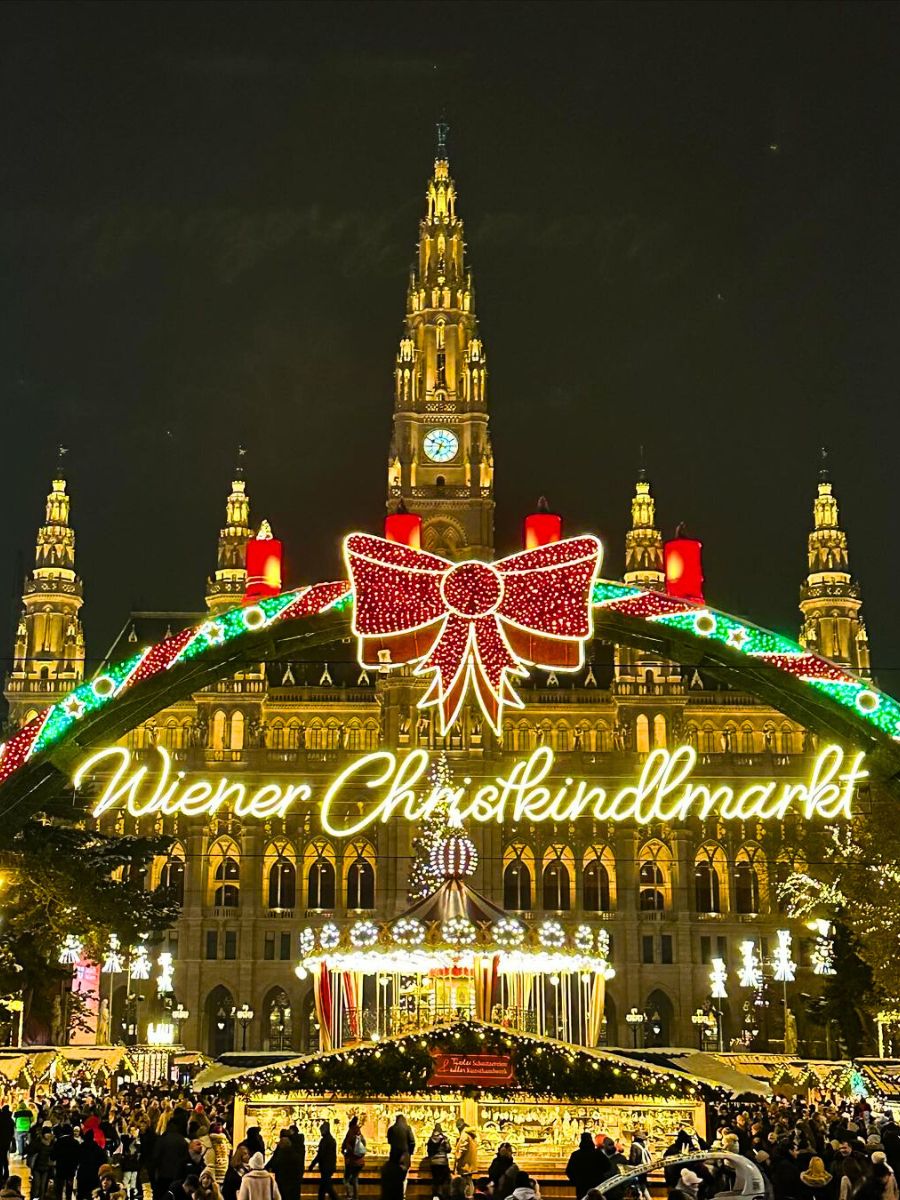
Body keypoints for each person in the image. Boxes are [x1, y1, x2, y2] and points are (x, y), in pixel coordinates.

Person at [152, 1108, 190, 1200]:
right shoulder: (183, 1141)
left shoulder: (162, 1139)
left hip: (162, 1176)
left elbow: (155, 1157)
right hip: (177, 1177)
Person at [384, 1117, 415, 1200]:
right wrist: (410, 1152)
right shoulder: (408, 1128)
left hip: (394, 1156)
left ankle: (394, 1195)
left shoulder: (391, 1129)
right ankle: (403, 1195)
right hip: (405, 1156)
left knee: (394, 1177)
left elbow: (389, 1141)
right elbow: (412, 1141)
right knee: (404, 1177)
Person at [267, 1132, 304, 1200]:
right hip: (293, 1183)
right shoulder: (296, 1155)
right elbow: (299, 1169)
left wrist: (269, 1168)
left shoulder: (281, 1155)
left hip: (282, 1182)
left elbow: (275, 1165)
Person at [566, 1133, 602, 1200]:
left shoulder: (575, 1155)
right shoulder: (598, 1153)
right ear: (591, 1140)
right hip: (596, 1185)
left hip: (581, 1186)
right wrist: (600, 1177)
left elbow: (569, 1171)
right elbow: (607, 1166)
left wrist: (576, 1181)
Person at [309, 1122, 338, 1200]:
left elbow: (320, 1154)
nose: (321, 1132)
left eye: (321, 1130)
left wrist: (312, 1164)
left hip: (326, 1167)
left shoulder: (325, 1140)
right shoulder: (331, 1140)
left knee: (327, 1187)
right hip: (329, 1166)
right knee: (324, 1187)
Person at [76, 1132, 108, 1200]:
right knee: (93, 1194)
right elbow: (104, 1161)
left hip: (82, 1173)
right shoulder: (98, 1149)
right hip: (94, 1175)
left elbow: (76, 1159)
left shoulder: (80, 1148)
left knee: (81, 1194)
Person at [341, 1119, 366, 1200]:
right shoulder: (360, 1135)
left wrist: (345, 1152)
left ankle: (350, 1194)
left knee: (346, 1179)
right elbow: (364, 1146)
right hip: (360, 1161)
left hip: (351, 1161)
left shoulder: (350, 1134)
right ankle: (356, 1196)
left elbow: (346, 1146)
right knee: (355, 1178)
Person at [453, 1121, 478, 1200]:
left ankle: (468, 1196)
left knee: (466, 1181)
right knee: (469, 1180)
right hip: (469, 1161)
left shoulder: (464, 1135)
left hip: (465, 1162)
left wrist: (458, 1156)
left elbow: (463, 1148)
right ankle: (469, 1196)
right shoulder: (471, 1135)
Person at [427, 1125, 452, 1200]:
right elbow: (448, 1149)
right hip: (443, 1162)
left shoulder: (430, 1139)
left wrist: (432, 1157)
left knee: (435, 1179)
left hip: (433, 1162)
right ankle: (444, 1196)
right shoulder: (444, 1138)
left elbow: (428, 1151)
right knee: (445, 1180)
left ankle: (435, 1196)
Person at [29, 1126, 55, 1200]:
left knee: (43, 1187)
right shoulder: (37, 1142)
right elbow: (31, 1152)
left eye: (49, 1133)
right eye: (47, 1133)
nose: (48, 1135)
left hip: (46, 1168)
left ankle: (41, 1198)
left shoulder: (52, 1143)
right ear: (43, 1134)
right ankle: (34, 1198)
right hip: (37, 1167)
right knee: (37, 1186)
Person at [0, 1107, 14, 1186]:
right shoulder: (10, 1120)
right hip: (6, 1143)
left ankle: (1, 1176)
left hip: (1, 1142)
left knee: (1, 1159)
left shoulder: (1, 1120)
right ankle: (6, 1174)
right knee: (5, 1158)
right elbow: (12, 1132)